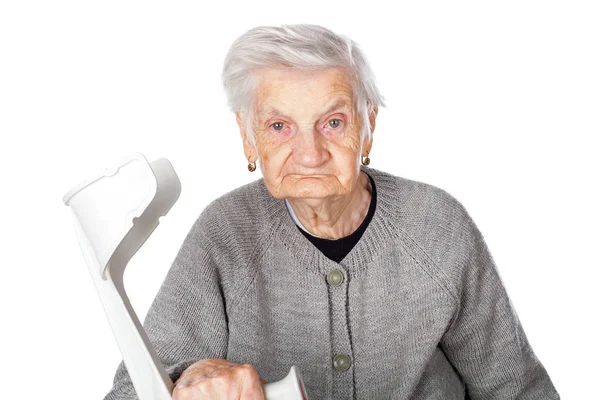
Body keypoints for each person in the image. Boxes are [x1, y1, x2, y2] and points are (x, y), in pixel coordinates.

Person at [104, 24, 560, 399]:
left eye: (333, 122)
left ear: (368, 128)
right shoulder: (226, 233)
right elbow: (131, 391)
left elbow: (519, 390)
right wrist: (191, 380)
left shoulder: (437, 227)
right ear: (248, 138)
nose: (309, 153)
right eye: (279, 126)